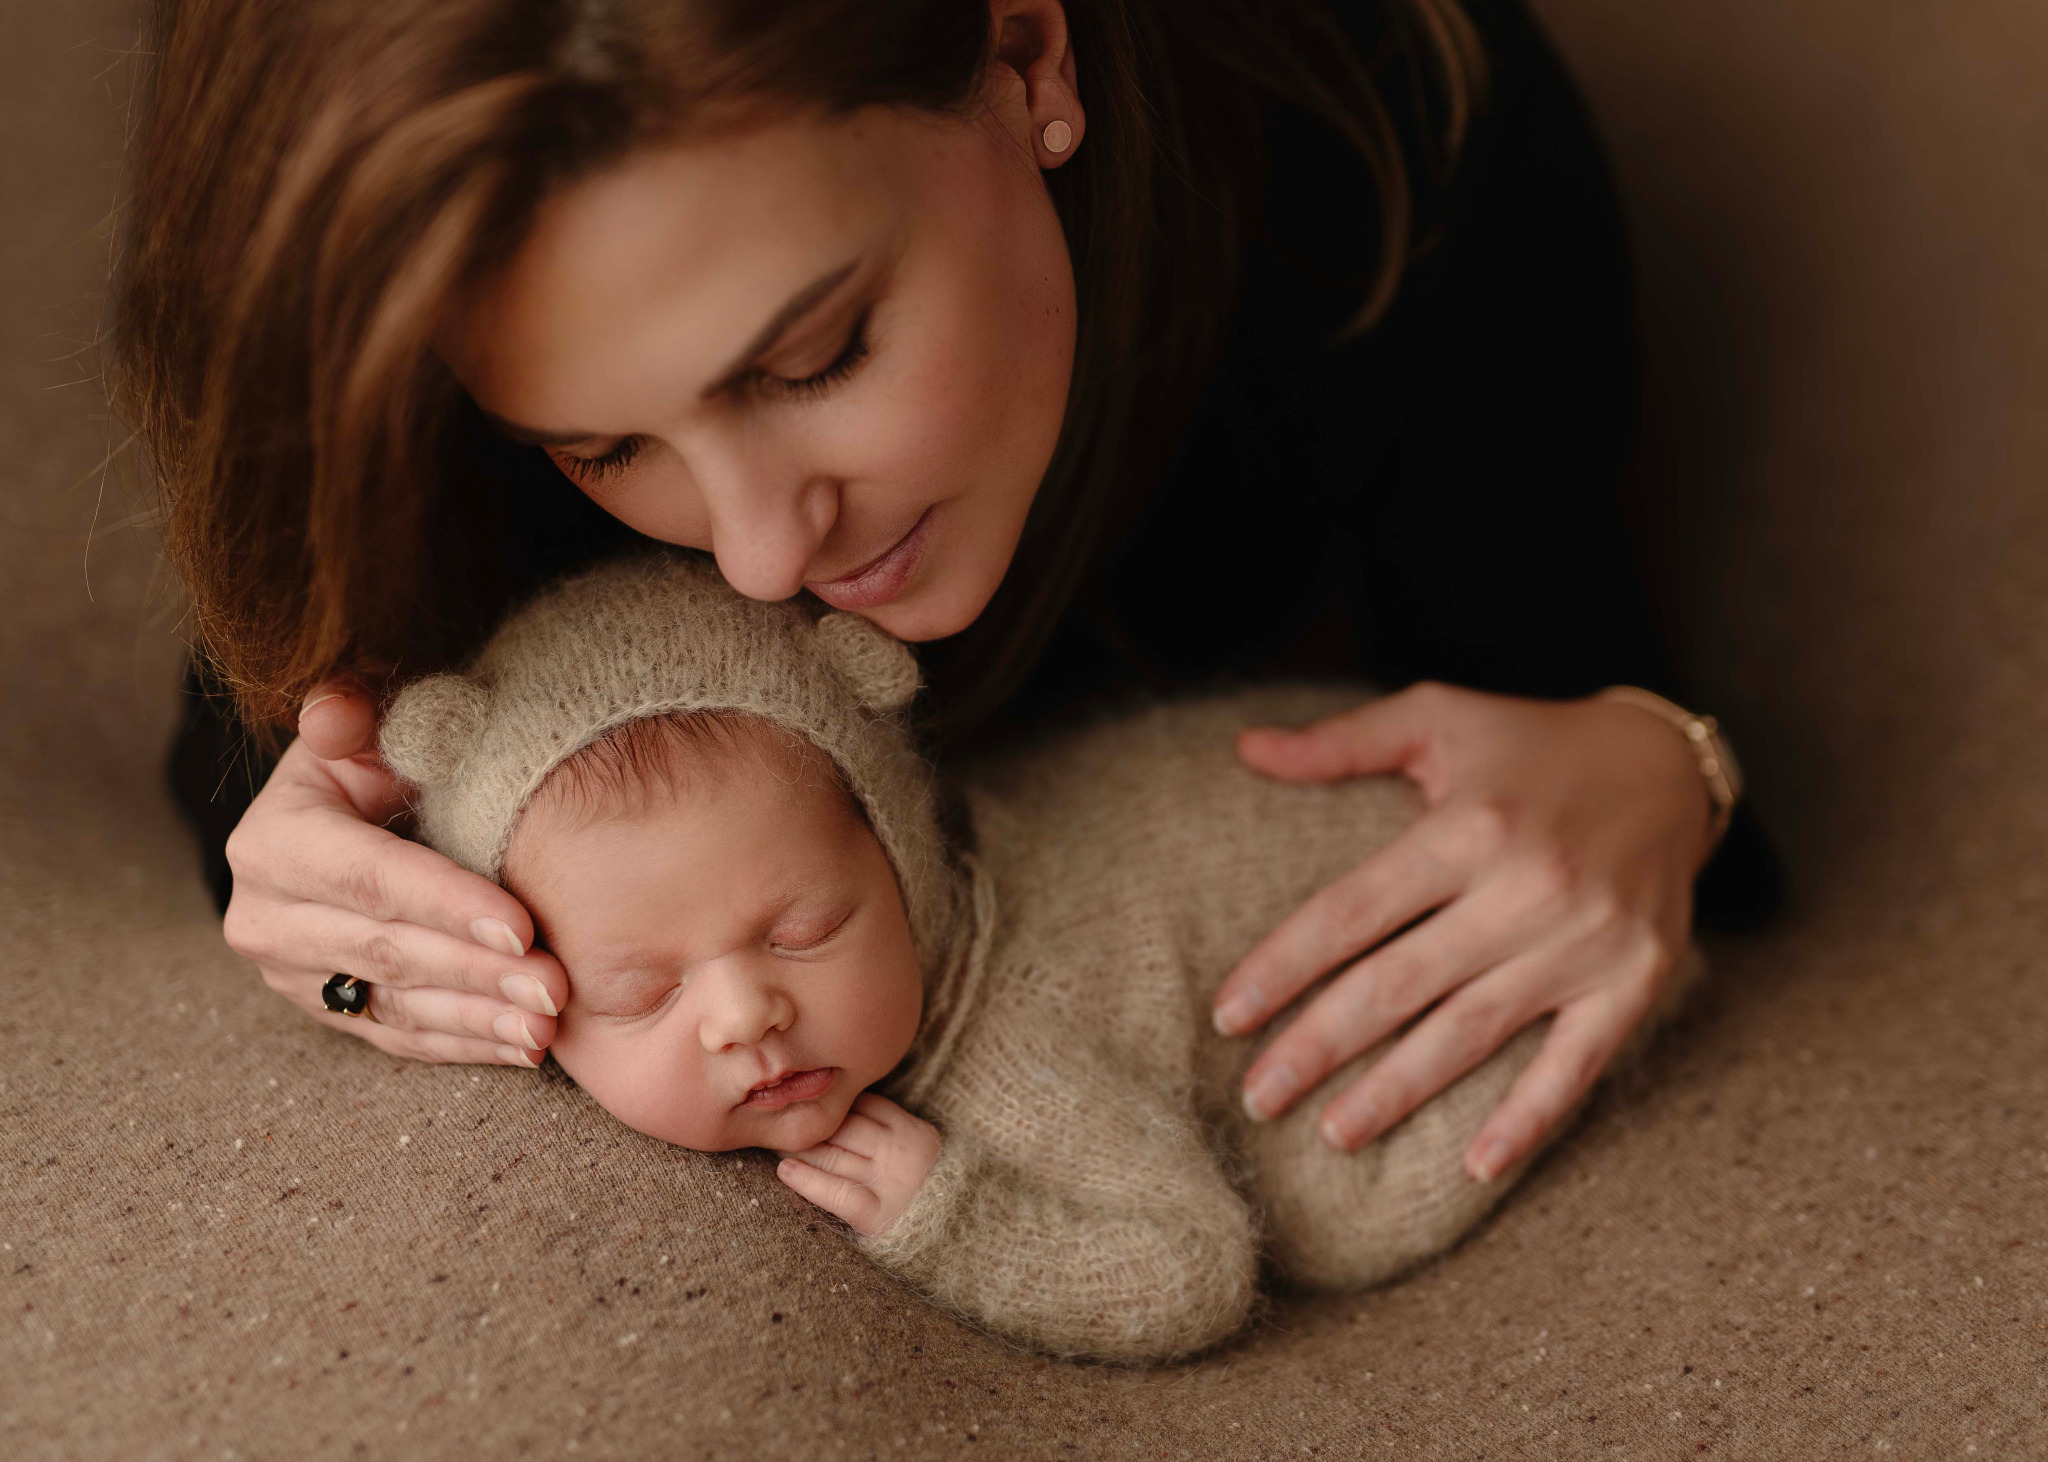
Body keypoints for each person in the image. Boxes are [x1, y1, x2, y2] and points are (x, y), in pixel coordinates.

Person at [117, 0, 1778, 1192]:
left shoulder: (1387, 130)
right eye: (608, 448)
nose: (763, 552)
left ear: (1027, 50)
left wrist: (1664, 763)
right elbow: (264, 734)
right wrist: (299, 862)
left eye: (818, 354)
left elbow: (1561, 669)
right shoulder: (434, 319)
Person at [373, 551, 1703, 1361]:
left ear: (900, 856)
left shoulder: (1008, 1042)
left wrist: (948, 1212)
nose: (743, 1011)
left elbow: (1191, 1265)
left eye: (804, 928)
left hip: (1455, 897)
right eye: (640, 989)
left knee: (1333, 1215)